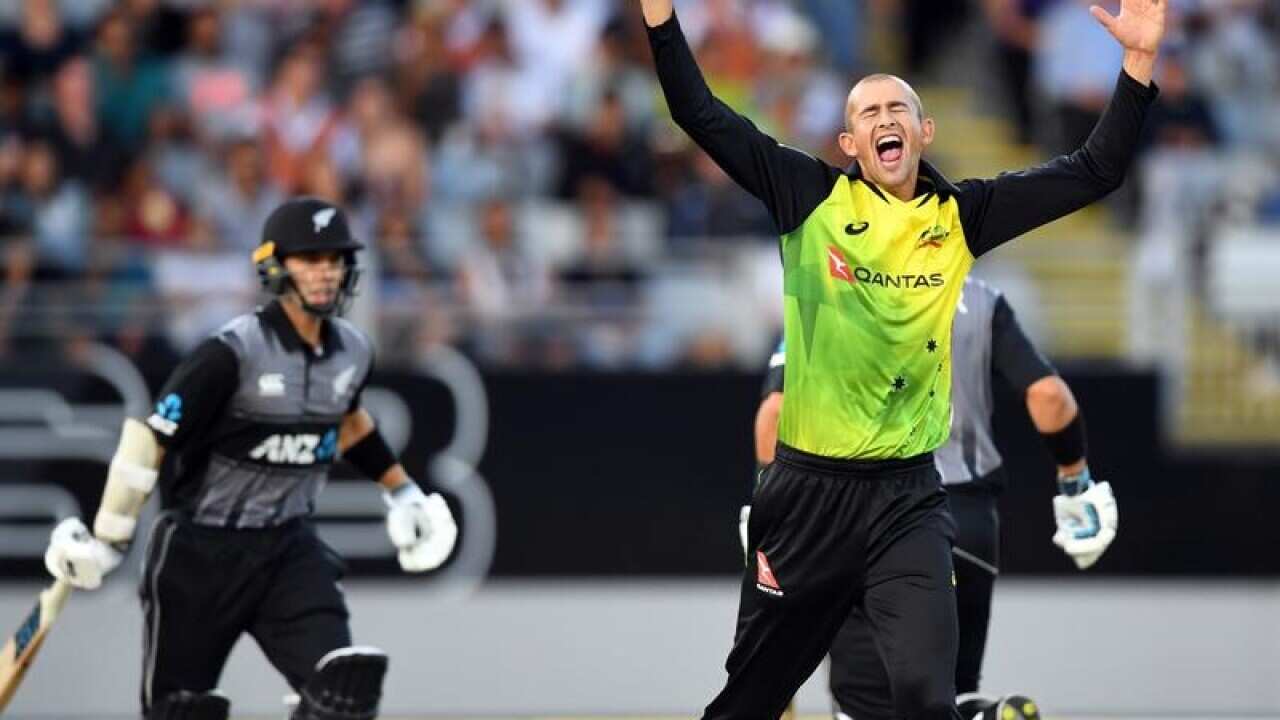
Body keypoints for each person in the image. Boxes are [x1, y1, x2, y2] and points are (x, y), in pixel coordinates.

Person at [638, 0, 1160, 717]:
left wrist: (1137, 63)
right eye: (868, 111)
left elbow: (1095, 170)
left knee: (921, 696)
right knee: (752, 701)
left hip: (907, 500)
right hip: (807, 495)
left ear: (923, 130)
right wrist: (661, 17)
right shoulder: (808, 195)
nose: (885, 118)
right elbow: (698, 111)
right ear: (849, 141)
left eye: (897, 107)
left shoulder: (960, 217)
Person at [41, 197, 458, 720]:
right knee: (179, 712)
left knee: (342, 692)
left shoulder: (353, 351)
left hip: (288, 550)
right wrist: (107, 540)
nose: (325, 273)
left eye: (334, 260)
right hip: (200, 553)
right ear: (275, 265)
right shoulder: (230, 353)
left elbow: (348, 421)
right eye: (309, 259)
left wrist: (402, 491)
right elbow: (151, 440)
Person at [751, 278, 1115, 720]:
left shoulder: (827, 294)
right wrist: (1075, 480)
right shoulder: (981, 300)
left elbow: (775, 412)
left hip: (868, 513)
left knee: (863, 707)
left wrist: (771, 502)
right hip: (969, 520)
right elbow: (1049, 396)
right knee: (946, 695)